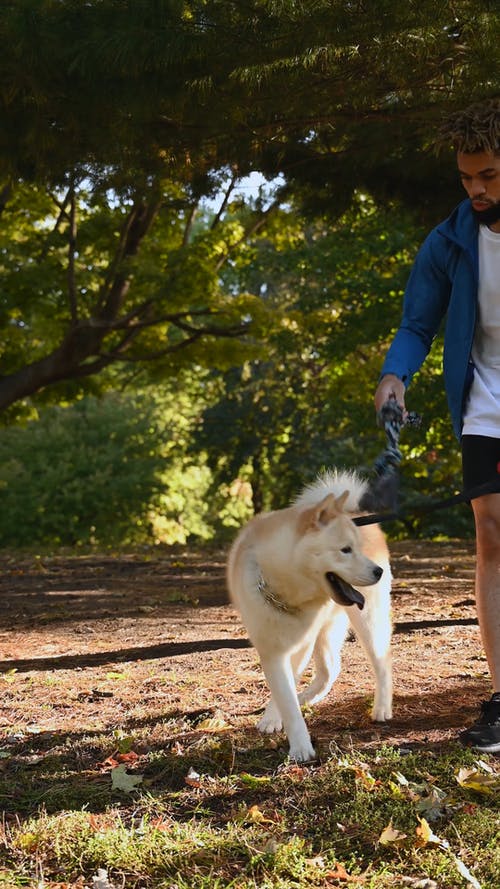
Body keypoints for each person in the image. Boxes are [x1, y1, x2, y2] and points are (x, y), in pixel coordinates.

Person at [374, 97, 500, 753]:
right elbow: (417, 323)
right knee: (491, 533)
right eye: (465, 178)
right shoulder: (451, 238)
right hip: (484, 397)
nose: (476, 189)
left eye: (489, 176)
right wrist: (396, 374)